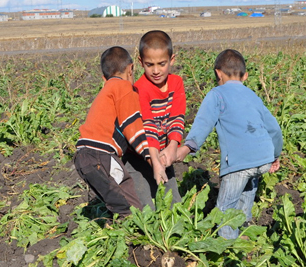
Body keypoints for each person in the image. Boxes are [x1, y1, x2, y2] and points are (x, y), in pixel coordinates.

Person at [176, 49, 283, 239]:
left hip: (239, 162)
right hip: (263, 159)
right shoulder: (252, 95)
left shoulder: (217, 94)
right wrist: (275, 156)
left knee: (224, 211)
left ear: (218, 73)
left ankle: (227, 248)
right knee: (247, 193)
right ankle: (245, 236)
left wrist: (188, 147)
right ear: (246, 76)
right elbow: (274, 128)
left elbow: (203, 123)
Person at [74, 46, 167, 217]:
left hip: (83, 158)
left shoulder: (106, 91)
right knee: (130, 209)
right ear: (131, 68)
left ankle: (121, 236)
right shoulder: (124, 88)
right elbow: (133, 129)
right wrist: (153, 159)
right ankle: (137, 240)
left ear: (104, 78)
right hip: (100, 156)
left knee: (118, 202)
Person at [123, 30, 185, 209]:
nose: (156, 71)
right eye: (150, 65)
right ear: (141, 62)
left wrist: (172, 147)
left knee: (174, 204)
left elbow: (177, 117)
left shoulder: (176, 83)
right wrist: (154, 160)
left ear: (172, 59)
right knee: (144, 207)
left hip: (162, 153)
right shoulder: (140, 89)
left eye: (162, 64)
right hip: (138, 156)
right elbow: (147, 126)